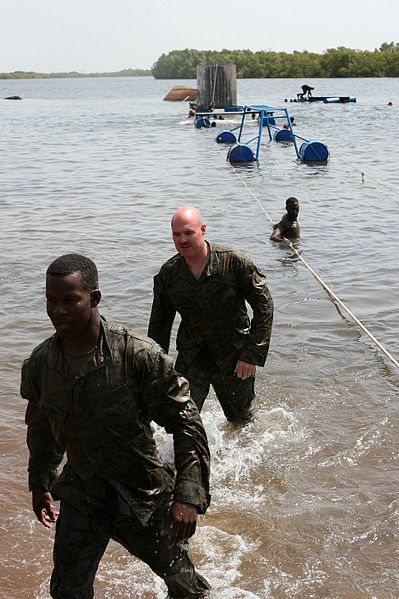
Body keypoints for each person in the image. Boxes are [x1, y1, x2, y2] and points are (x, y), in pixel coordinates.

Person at [21, 253, 211, 599]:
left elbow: (186, 422)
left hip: (143, 495)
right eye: (51, 300)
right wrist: (40, 482)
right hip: (83, 495)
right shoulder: (41, 364)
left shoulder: (137, 356)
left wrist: (188, 495)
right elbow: (41, 428)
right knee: (67, 592)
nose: (57, 310)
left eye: (69, 300)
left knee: (187, 589)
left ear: (93, 298)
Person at [148, 206, 273, 423]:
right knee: (182, 417)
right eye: (177, 235)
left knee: (240, 421)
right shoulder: (168, 274)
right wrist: (154, 370)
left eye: (188, 233)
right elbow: (160, 325)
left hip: (234, 356)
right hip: (192, 355)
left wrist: (251, 355)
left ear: (203, 230)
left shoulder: (235, 263)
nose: (182, 240)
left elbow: (264, 307)